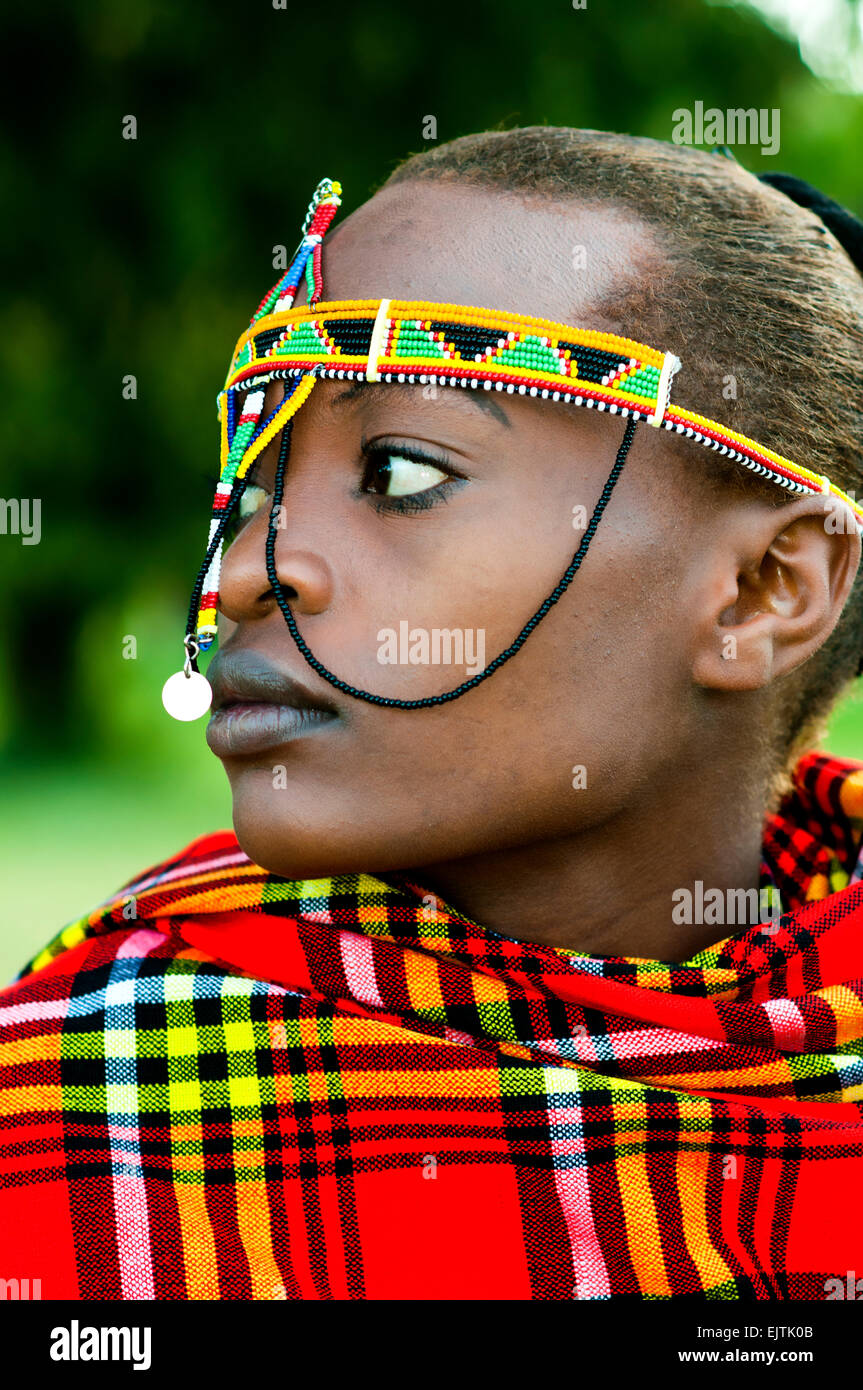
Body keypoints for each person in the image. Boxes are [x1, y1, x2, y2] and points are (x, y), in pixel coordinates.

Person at [3, 126, 863, 1300]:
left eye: (401, 474)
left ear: (764, 589)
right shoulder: (74, 1112)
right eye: (260, 482)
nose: (255, 565)